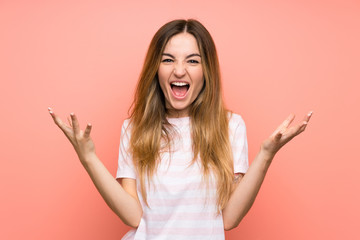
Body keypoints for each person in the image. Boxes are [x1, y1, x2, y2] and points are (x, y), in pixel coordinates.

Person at [48, 19, 312, 239]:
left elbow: (229, 218)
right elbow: (133, 216)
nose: (179, 70)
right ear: (156, 68)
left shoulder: (231, 127)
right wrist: (88, 158)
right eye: (168, 60)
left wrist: (266, 154)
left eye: (193, 61)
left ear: (206, 71)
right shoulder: (134, 128)